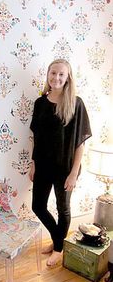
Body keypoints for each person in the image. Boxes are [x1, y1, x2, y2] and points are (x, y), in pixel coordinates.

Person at [29, 59, 92, 267]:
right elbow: (35, 137)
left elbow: (80, 143)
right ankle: (59, 240)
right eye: (53, 73)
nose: (56, 77)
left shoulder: (76, 103)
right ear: (48, 74)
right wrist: (33, 163)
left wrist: (74, 172)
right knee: (38, 206)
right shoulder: (40, 103)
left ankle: (57, 249)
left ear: (67, 78)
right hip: (43, 165)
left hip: (66, 167)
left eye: (61, 74)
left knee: (62, 207)